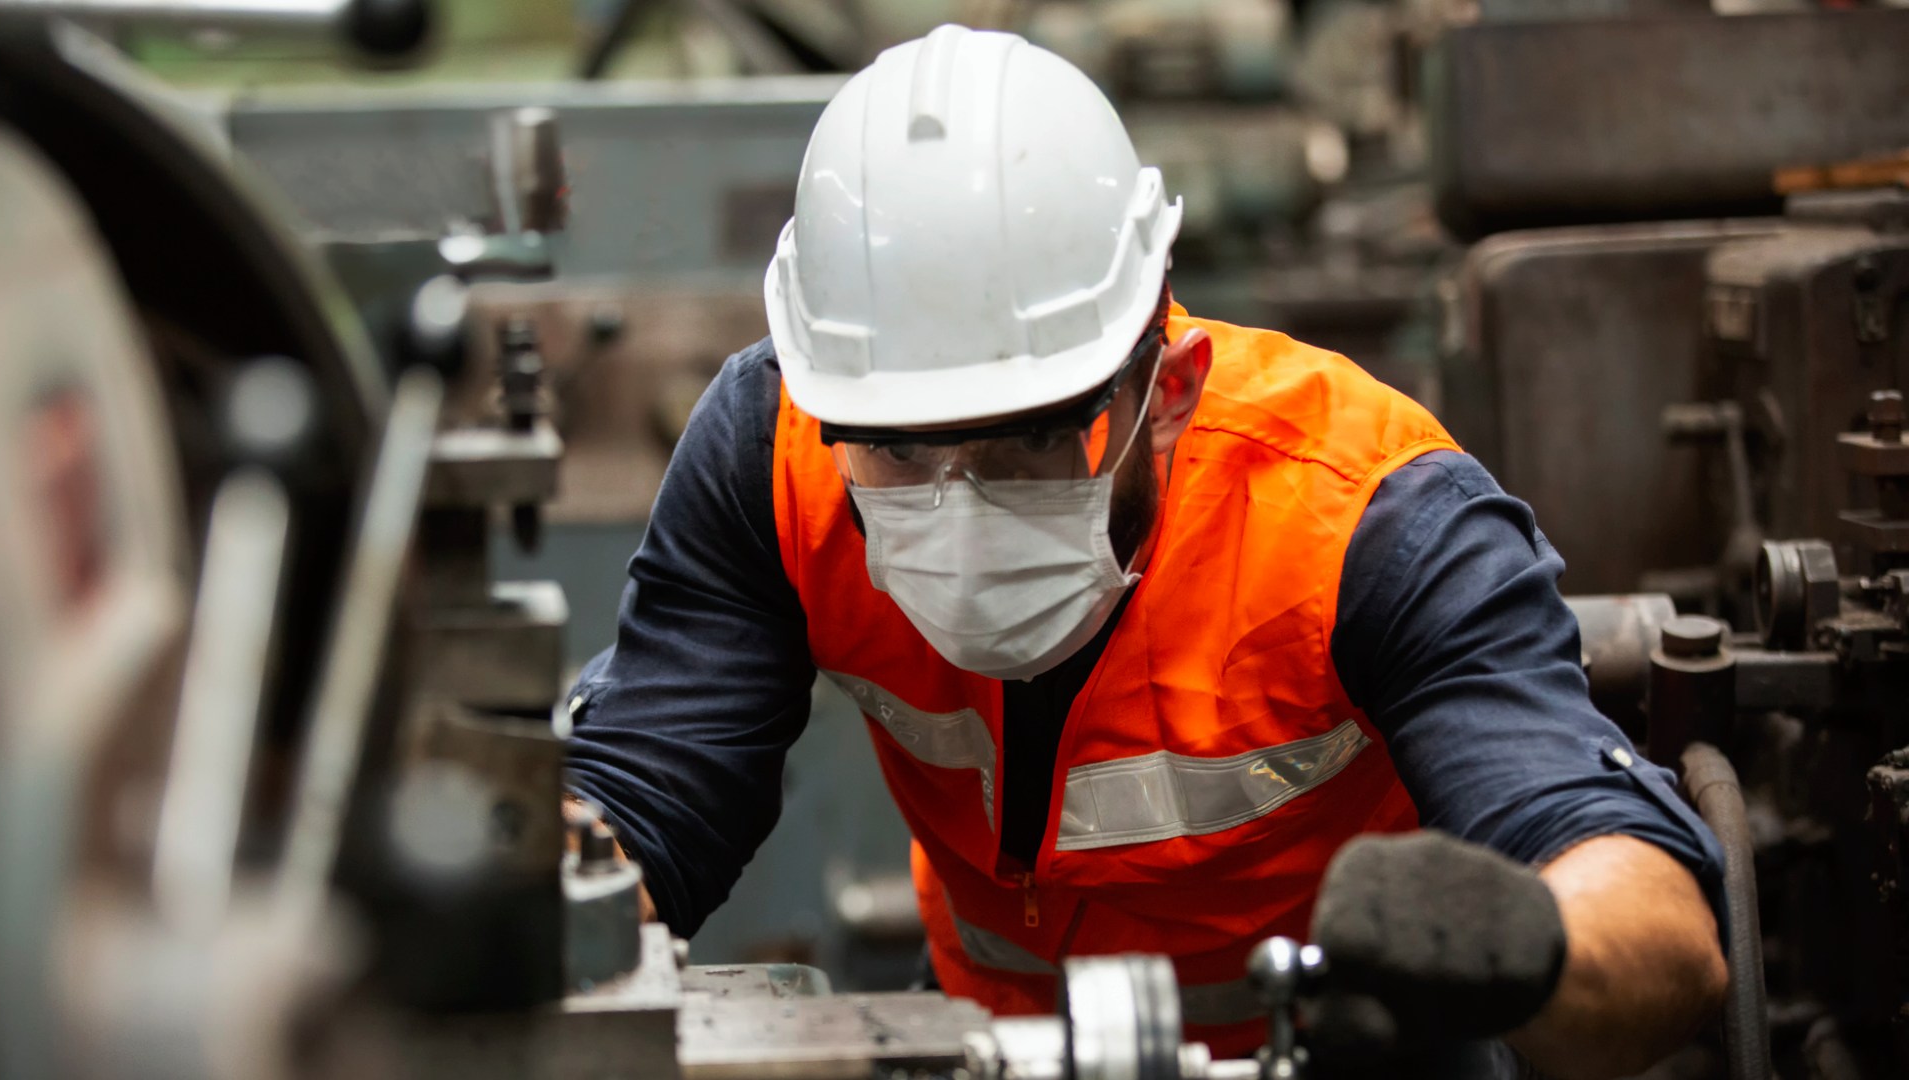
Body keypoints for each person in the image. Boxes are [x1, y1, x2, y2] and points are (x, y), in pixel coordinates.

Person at [562, 24, 1727, 1079]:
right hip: (988, 1045)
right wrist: (524, 903)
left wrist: (1514, 948)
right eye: (896, 453)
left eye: (1026, 443)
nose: (955, 506)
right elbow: (658, 790)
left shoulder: (1365, 518)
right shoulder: (774, 457)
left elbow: (1658, 927)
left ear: (1165, 390)